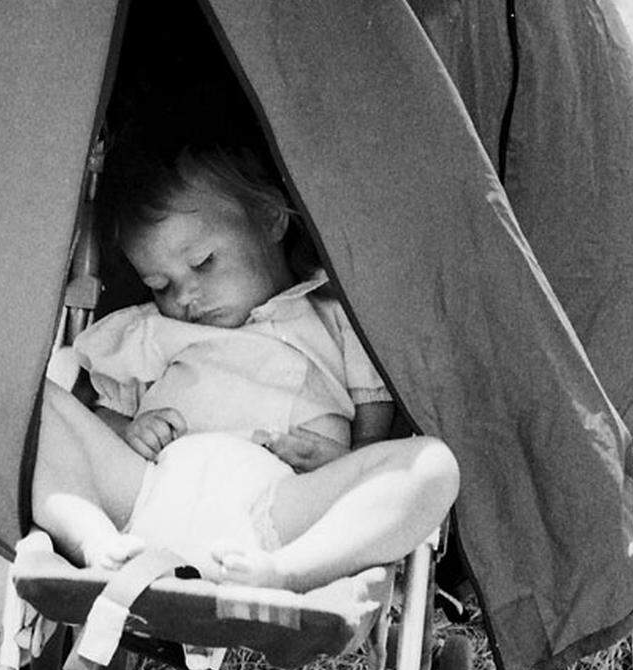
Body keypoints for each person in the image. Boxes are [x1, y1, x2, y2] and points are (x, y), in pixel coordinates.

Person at [33, 143, 459, 592]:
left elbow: (373, 434)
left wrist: (346, 462)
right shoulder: (152, 330)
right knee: (36, 400)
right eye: (160, 285)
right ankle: (91, 537)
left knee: (434, 465)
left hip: (278, 504)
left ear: (271, 219)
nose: (184, 297)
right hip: (152, 489)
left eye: (203, 264)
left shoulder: (332, 315)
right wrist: (127, 430)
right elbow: (99, 417)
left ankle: (289, 570)